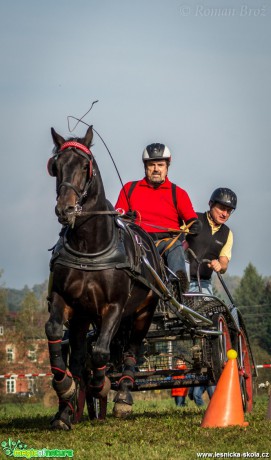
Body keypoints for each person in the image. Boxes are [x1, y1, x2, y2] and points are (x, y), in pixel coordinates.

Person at [115, 143, 202, 292]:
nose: (156, 169)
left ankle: (178, 289)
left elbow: (191, 220)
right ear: (145, 167)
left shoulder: (178, 193)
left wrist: (195, 225)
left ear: (167, 166)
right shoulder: (129, 189)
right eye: (152, 165)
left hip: (165, 244)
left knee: (175, 246)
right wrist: (123, 218)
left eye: (160, 165)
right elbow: (116, 219)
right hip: (136, 243)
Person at [186, 187, 237, 295]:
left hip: (204, 284)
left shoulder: (227, 234)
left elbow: (224, 264)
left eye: (229, 211)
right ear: (211, 204)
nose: (225, 214)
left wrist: (220, 265)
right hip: (179, 279)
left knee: (210, 311)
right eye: (222, 208)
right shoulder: (194, 219)